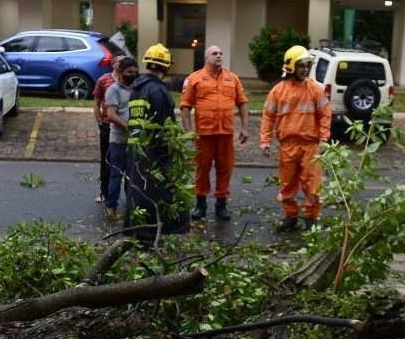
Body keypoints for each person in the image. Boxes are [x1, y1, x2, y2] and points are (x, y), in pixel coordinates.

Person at [260, 45, 332, 231]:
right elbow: (268, 116)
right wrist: (265, 141)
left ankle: (311, 218)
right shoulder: (277, 91)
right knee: (287, 184)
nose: (305, 70)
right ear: (291, 67)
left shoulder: (315, 89)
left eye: (307, 65)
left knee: (312, 185)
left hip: (310, 146)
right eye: (301, 65)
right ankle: (290, 216)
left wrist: (324, 138)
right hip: (288, 146)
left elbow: (325, 114)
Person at [125, 43, 189, 241]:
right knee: (157, 192)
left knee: (138, 192)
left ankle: (137, 229)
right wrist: (167, 154)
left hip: (137, 149)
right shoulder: (158, 92)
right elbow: (163, 126)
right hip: (153, 152)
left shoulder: (136, 89)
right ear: (167, 66)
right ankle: (153, 231)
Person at [180, 45, 248, 221]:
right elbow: (185, 106)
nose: (219, 56)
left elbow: (242, 103)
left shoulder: (232, 79)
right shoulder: (194, 79)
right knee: (202, 169)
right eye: (214, 53)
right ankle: (200, 204)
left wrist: (245, 128)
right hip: (204, 134)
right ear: (206, 58)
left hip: (225, 133)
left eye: (221, 53)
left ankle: (221, 204)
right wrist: (188, 131)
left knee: (225, 169)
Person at [103, 56, 139, 220]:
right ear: (121, 72)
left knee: (132, 176)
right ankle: (111, 206)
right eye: (129, 72)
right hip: (118, 139)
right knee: (116, 175)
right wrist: (127, 126)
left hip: (134, 140)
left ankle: (131, 208)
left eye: (135, 72)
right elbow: (111, 114)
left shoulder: (136, 89)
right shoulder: (113, 90)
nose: (132, 74)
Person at [92, 57, 123, 204]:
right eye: (119, 61)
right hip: (107, 124)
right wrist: (100, 122)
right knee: (106, 160)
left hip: (123, 126)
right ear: (113, 64)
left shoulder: (129, 81)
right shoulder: (104, 80)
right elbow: (96, 102)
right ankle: (104, 192)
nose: (122, 64)